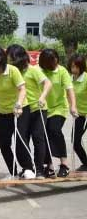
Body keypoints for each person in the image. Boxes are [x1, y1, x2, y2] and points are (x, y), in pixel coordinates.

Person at [0, 46, 34, 179]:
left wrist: (19, 104)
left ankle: (28, 168)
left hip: (20, 109)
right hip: (4, 111)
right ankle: (13, 172)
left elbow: (22, 89)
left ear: (2, 62)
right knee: (3, 142)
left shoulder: (12, 71)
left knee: (20, 139)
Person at [6, 45, 52, 178]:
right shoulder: (12, 71)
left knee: (38, 138)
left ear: (19, 57)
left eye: (11, 58)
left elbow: (48, 83)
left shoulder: (32, 70)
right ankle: (28, 167)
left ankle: (39, 169)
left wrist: (42, 97)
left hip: (38, 109)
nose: (9, 61)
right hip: (23, 110)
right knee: (21, 139)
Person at [38, 48, 78, 178]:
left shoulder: (62, 71)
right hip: (44, 108)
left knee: (54, 130)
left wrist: (73, 106)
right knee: (44, 136)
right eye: (51, 62)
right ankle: (49, 166)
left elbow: (70, 90)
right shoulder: (40, 71)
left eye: (55, 60)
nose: (55, 63)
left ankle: (64, 164)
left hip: (59, 108)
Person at [68, 54, 87, 172]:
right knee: (75, 141)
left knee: (75, 141)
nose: (73, 69)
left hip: (85, 115)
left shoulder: (86, 79)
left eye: (75, 67)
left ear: (81, 67)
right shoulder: (70, 79)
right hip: (77, 115)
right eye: (71, 66)